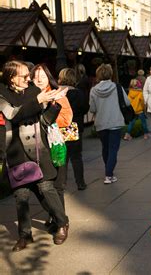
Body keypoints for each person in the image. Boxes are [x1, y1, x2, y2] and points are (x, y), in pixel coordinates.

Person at [0, 60, 70, 251]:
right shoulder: (2, 95)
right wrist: (38, 101)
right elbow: (13, 115)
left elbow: (45, 120)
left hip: (39, 149)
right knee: (21, 195)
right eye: (25, 76)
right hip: (15, 150)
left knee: (47, 188)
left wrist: (54, 104)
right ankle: (25, 235)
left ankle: (62, 222)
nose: (29, 78)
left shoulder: (32, 91)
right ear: (12, 77)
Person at [31, 64, 73, 221]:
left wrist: (47, 115)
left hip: (56, 145)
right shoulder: (30, 97)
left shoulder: (58, 95)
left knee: (58, 185)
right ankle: (55, 215)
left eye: (42, 76)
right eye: (35, 77)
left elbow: (66, 119)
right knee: (41, 186)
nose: (39, 80)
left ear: (48, 77)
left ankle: (61, 222)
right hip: (37, 147)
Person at [89, 64, 130, 184]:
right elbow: (127, 102)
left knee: (105, 148)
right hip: (115, 122)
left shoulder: (93, 90)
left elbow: (92, 108)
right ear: (110, 74)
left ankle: (108, 169)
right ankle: (109, 174)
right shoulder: (117, 87)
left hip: (101, 123)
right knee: (113, 149)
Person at [58, 68, 89, 191]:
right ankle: (80, 183)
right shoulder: (79, 93)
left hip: (59, 127)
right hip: (73, 126)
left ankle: (61, 183)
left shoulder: (57, 93)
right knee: (76, 157)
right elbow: (85, 108)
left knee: (62, 157)